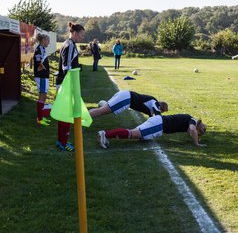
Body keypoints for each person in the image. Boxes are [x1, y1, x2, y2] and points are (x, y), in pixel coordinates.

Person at [56, 22, 85, 151]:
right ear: (74, 33)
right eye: (81, 34)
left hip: (63, 83)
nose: (82, 37)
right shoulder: (69, 45)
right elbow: (66, 67)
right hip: (65, 84)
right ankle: (63, 143)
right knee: (66, 114)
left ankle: (60, 141)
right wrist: (72, 85)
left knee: (64, 114)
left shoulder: (68, 44)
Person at [97, 114, 207, 148]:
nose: (201, 132)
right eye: (202, 129)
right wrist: (197, 143)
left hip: (158, 122)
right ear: (199, 124)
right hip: (158, 125)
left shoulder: (190, 121)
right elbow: (192, 130)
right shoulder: (192, 121)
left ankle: (107, 134)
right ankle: (105, 134)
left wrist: (197, 135)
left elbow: (191, 131)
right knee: (131, 134)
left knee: (136, 134)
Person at [89, 90, 168, 118]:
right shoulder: (155, 103)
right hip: (126, 98)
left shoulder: (151, 105)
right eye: (162, 111)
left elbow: (152, 117)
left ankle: (82, 119)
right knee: (102, 111)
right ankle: (81, 121)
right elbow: (158, 116)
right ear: (160, 108)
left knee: (104, 110)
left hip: (125, 95)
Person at [34, 33, 51, 126]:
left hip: (43, 76)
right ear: (43, 40)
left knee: (43, 96)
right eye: (48, 40)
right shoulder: (39, 49)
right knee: (42, 96)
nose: (49, 42)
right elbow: (39, 63)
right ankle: (39, 119)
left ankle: (41, 117)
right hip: (41, 76)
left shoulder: (42, 49)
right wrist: (44, 69)